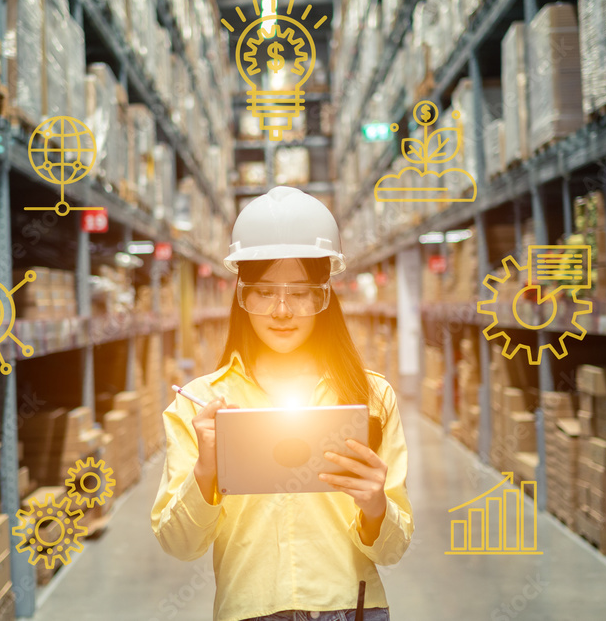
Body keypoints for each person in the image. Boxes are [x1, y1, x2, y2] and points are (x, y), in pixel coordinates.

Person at [151, 186, 414, 621]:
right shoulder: (202, 404)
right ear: (242, 295)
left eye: (300, 291)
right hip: (248, 611)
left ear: (323, 296)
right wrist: (206, 472)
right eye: (264, 290)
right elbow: (179, 545)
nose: (281, 309)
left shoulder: (371, 398)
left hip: (350, 609)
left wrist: (375, 507)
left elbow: (394, 550)